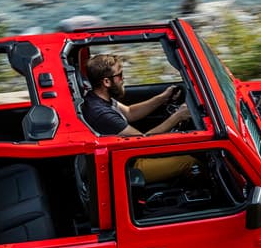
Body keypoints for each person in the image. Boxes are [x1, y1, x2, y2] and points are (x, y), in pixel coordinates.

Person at [80, 54, 195, 182]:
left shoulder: (98, 98)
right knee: (189, 162)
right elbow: (142, 141)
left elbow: (130, 112)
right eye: (120, 75)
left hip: (128, 155)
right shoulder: (101, 114)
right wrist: (178, 116)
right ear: (106, 82)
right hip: (130, 164)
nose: (123, 79)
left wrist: (162, 97)